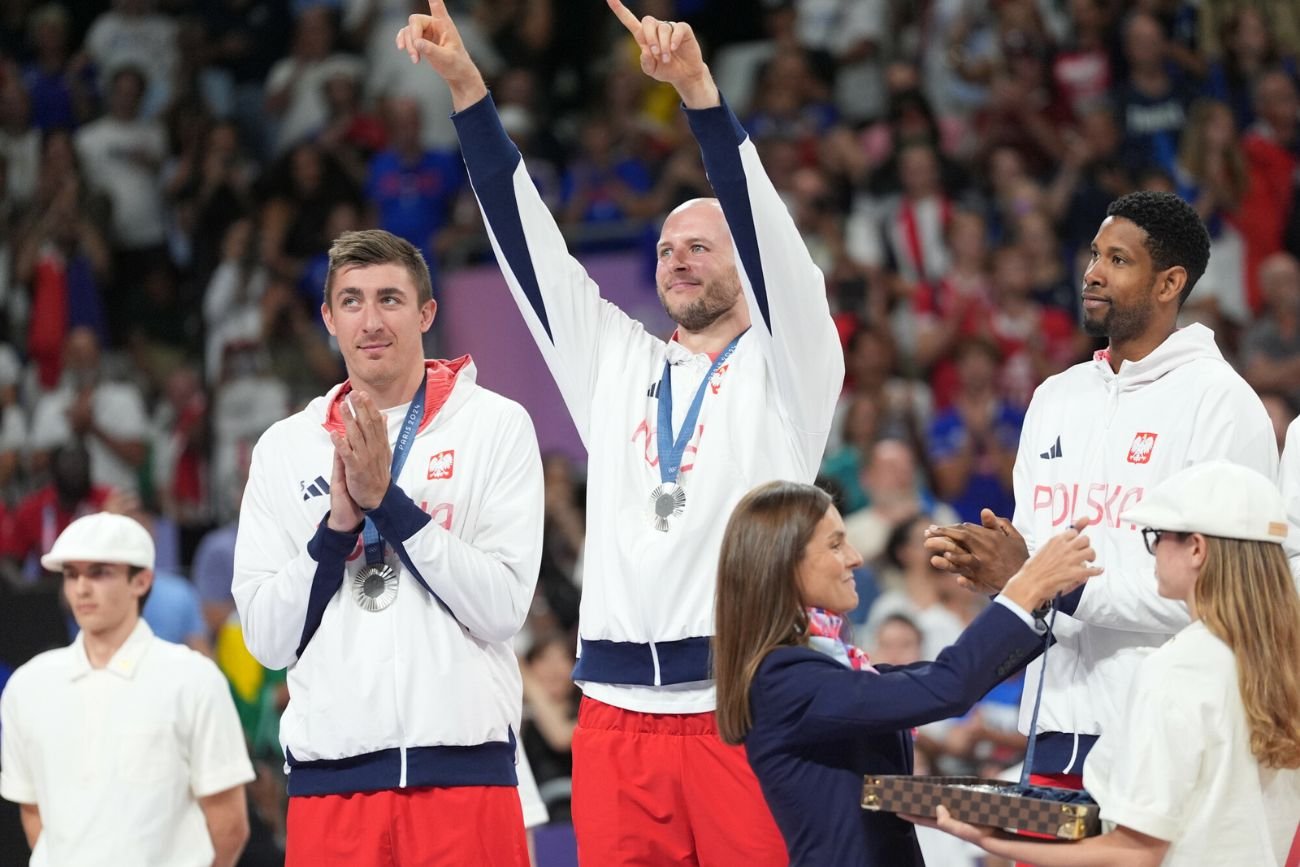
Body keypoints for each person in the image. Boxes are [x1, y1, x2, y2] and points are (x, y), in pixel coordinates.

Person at [396, 2, 843, 862]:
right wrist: (466, 88)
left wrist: (701, 97)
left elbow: (772, 238)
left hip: (736, 704)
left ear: (746, 270)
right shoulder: (616, 364)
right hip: (612, 717)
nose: (678, 257)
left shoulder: (790, 369)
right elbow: (528, 250)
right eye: (668, 247)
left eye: (701, 246)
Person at [925, 190, 1279, 792]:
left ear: (1169, 283)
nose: (1092, 272)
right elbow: (1035, 556)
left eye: (1118, 260)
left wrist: (1047, 582)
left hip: (1167, 726)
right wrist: (1002, 573)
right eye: (1094, 254)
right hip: (1054, 721)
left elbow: (1222, 593)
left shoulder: (1223, 404)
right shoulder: (1055, 398)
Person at [231, 228, 545, 865]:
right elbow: (265, 639)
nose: (370, 321)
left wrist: (390, 507)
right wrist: (336, 533)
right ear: (328, 317)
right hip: (331, 792)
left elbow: (502, 608)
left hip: (464, 782)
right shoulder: (284, 449)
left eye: (390, 300)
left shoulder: (496, 426)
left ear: (427, 313)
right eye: (351, 301)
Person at [920, 462, 1300, 866]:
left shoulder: (1177, 669)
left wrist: (992, 838)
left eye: (1156, 537)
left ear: (1196, 549)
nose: (1150, 551)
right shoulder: (1282, 662)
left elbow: (1133, 853)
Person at [712, 480, 1101, 865]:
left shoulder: (827, 668)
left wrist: (1025, 595)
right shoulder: (784, 679)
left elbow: (942, 681)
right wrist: (1025, 585)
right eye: (835, 544)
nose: (856, 558)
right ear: (784, 564)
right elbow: (948, 686)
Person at [0, 512, 254, 867]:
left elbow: (229, 824)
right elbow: (31, 810)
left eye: (99, 572)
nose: (82, 588)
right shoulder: (28, 686)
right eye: (72, 574)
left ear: (142, 581)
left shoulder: (193, 679)